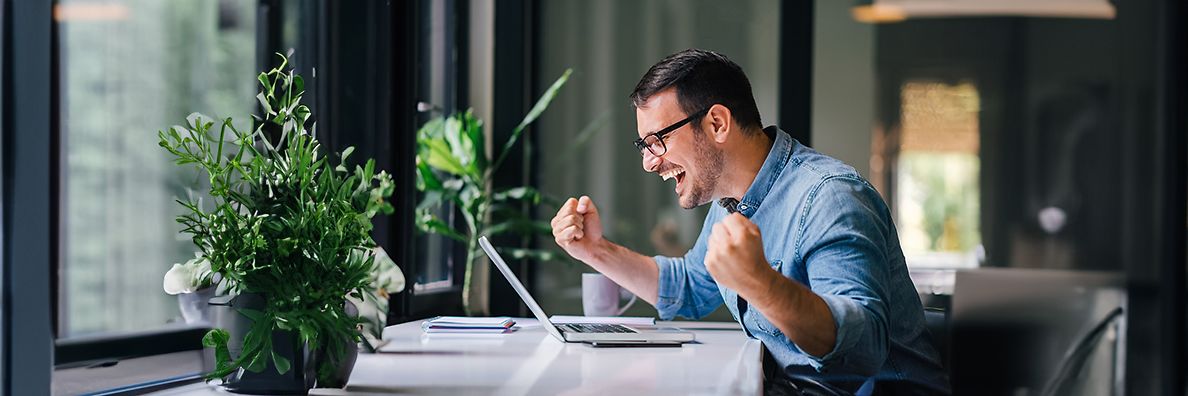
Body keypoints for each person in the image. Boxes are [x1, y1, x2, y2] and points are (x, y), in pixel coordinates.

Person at [550, 49, 949, 395]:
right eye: (644, 146)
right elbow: (689, 286)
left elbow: (863, 350)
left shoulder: (831, 198)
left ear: (717, 123)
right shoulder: (730, 201)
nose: (649, 162)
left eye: (658, 141)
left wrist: (760, 282)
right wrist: (595, 251)